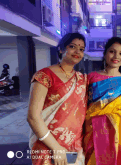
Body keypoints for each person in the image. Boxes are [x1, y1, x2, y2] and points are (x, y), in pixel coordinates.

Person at [27, 33, 87, 165]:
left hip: (74, 145)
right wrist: (56, 147)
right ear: (61, 49)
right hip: (47, 145)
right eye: (72, 46)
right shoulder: (44, 75)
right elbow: (33, 116)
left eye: (81, 49)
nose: (77, 51)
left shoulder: (82, 79)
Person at [83, 37, 121, 165]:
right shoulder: (91, 77)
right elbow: (83, 105)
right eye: (112, 51)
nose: (116, 56)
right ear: (105, 54)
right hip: (95, 132)